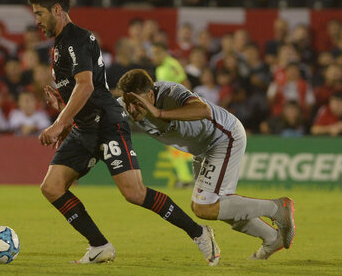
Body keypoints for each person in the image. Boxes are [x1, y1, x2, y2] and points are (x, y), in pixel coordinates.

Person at [28, 0, 220, 266]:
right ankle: (99, 246)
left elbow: (86, 86)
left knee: (134, 193)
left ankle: (199, 232)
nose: (37, 20)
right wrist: (64, 104)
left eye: (40, 13)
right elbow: (77, 89)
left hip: (107, 124)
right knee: (52, 187)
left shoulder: (76, 39)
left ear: (57, 9)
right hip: (84, 128)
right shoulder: (59, 45)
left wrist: (58, 123)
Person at [116, 69, 296, 260]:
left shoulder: (171, 92)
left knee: (205, 207)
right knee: (216, 208)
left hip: (223, 137)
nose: (132, 109)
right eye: (128, 104)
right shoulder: (124, 106)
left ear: (150, 95)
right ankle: (271, 238)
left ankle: (277, 208)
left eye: (137, 103)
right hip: (202, 150)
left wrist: (159, 113)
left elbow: (204, 110)